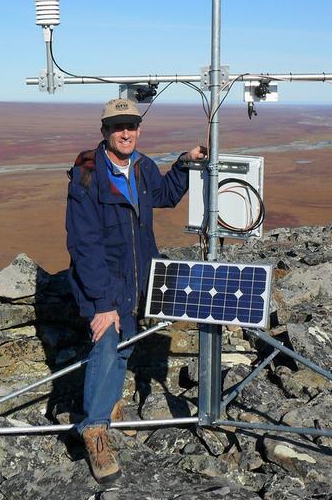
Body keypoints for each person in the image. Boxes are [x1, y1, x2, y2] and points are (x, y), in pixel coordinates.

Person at [65, 98, 206, 483]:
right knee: (108, 341)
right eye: (117, 127)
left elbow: (162, 195)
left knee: (127, 342)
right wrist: (101, 304)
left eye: (131, 125)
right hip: (105, 283)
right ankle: (94, 430)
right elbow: (84, 245)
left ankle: (110, 404)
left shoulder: (142, 166)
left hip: (139, 276)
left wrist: (183, 163)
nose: (126, 132)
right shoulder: (88, 177)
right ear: (104, 132)